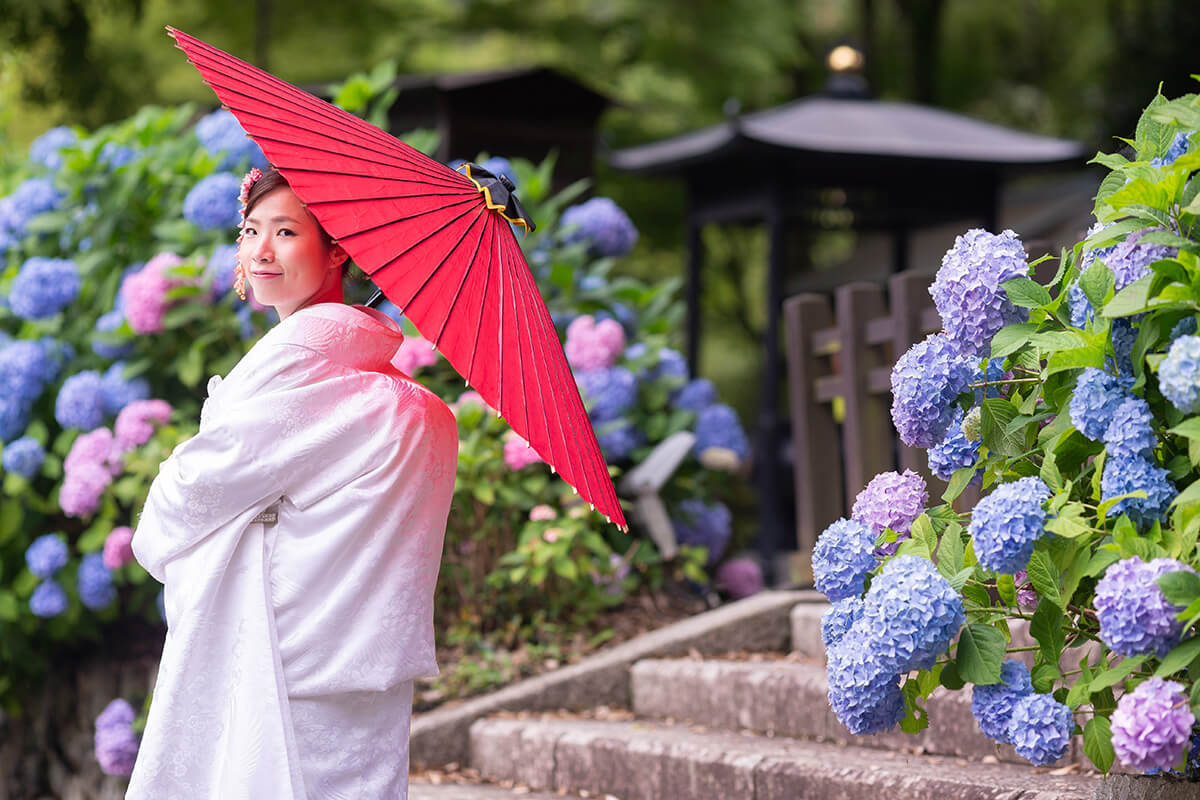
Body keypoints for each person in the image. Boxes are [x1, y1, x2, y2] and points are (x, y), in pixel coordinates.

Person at [128, 166, 458, 799]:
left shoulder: (302, 357)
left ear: (336, 249)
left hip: (282, 655)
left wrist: (181, 480)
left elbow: (189, 492)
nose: (261, 251)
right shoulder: (388, 384)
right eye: (251, 230)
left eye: (286, 232)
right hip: (361, 651)